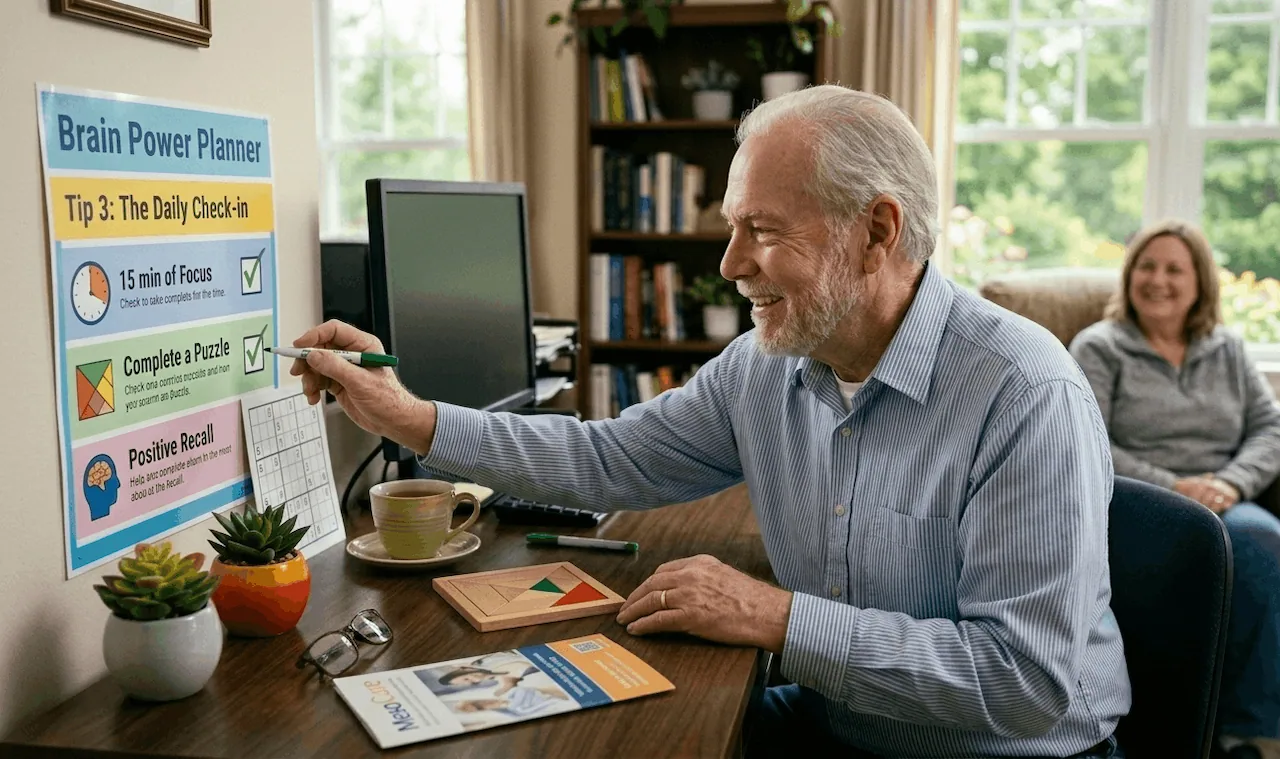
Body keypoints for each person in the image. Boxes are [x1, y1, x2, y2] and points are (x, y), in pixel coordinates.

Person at [294, 85, 1130, 758]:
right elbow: (605, 458)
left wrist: (775, 616)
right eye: (732, 228)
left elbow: (1026, 682)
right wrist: (410, 418)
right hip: (837, 724)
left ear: (877, 231)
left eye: (761, 231)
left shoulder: (1024, 394)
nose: (729, 266)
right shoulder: (764, 367)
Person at [1069, 220, 1280, 759]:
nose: (1157, 280)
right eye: (1147, 266)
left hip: (1223, 499)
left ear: (1199, 283)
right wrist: (1172, 486)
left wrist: (1230, 484)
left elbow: (1270, 428)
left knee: (1264, 541)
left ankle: (1246, 731)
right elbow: (1082, 438)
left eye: (1173, 269)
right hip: (1138, 503)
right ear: (1129, 275)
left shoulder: (1228, 348)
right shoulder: (1100, 347)